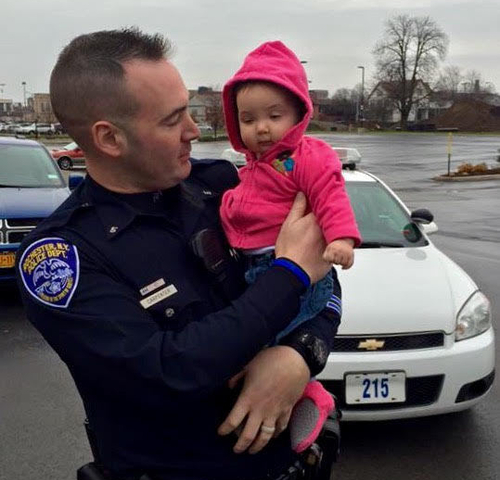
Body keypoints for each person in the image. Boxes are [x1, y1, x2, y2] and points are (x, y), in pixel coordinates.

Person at [15, 28, 341, 480]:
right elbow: (166, 372)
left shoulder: (223, 187)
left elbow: (322, 281)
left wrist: (299, 356)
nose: (195, 130)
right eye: (173, 120)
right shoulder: (62, 257)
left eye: (188, 110)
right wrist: (286, 277)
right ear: (109, 139)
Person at [220, 41, 361, 451]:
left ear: (300, 113)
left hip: (294, 271)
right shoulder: (251, 167)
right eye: (248, 119)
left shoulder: (309, 155)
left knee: (268, 340)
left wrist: (340, 239)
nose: (261, 128)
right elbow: (243, 210)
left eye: (274, 116)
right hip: (258, 268)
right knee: (263, 338)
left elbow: (331, 196)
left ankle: (313, 397)